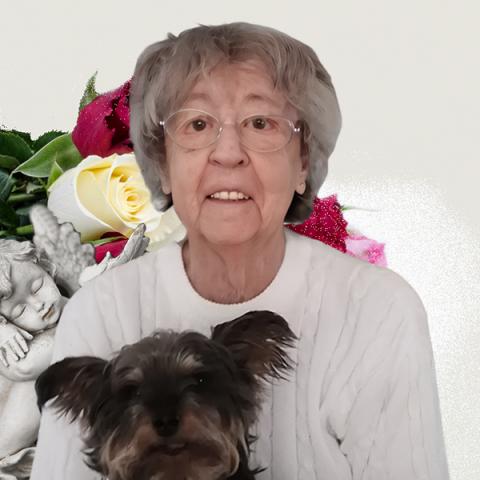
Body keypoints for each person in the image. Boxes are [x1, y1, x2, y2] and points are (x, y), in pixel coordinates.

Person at [31, 22, 450, 479]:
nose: (228, 152)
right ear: (162, 165)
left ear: (303, 163)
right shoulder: (98, 311)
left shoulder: (378, 310)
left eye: (260, 123)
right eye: (197, 124)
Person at [0, 240, 65, 460]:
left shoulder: (72, 305)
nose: (39, 306)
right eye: (19, 311)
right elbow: (23, 366)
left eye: (37, 286)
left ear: (45, 266)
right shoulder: (9, 342)